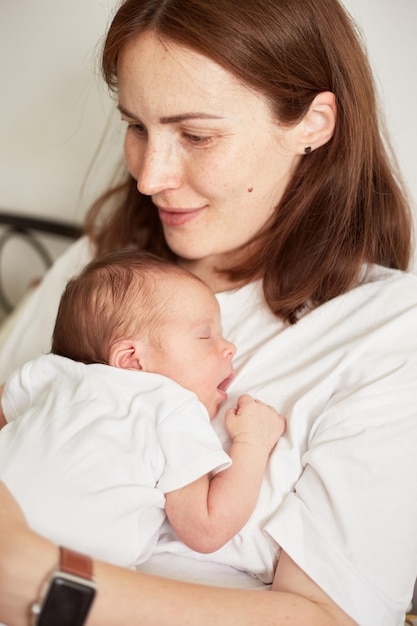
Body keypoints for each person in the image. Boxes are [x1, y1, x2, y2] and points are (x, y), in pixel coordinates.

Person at [0, 0, 416, 625]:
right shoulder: (101, 263)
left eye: (195, 135)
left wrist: (39, 580)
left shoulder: (390, 331)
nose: (149, 177)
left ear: (312, 123)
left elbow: (331, 617)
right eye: (136, 126)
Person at [0, 249, 285, 569]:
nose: (229, 347)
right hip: (49, 578)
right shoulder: (173, 405)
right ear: (132, 360)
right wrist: (253, 442)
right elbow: (206, 528)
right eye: (205, 335)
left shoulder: (54, 374)